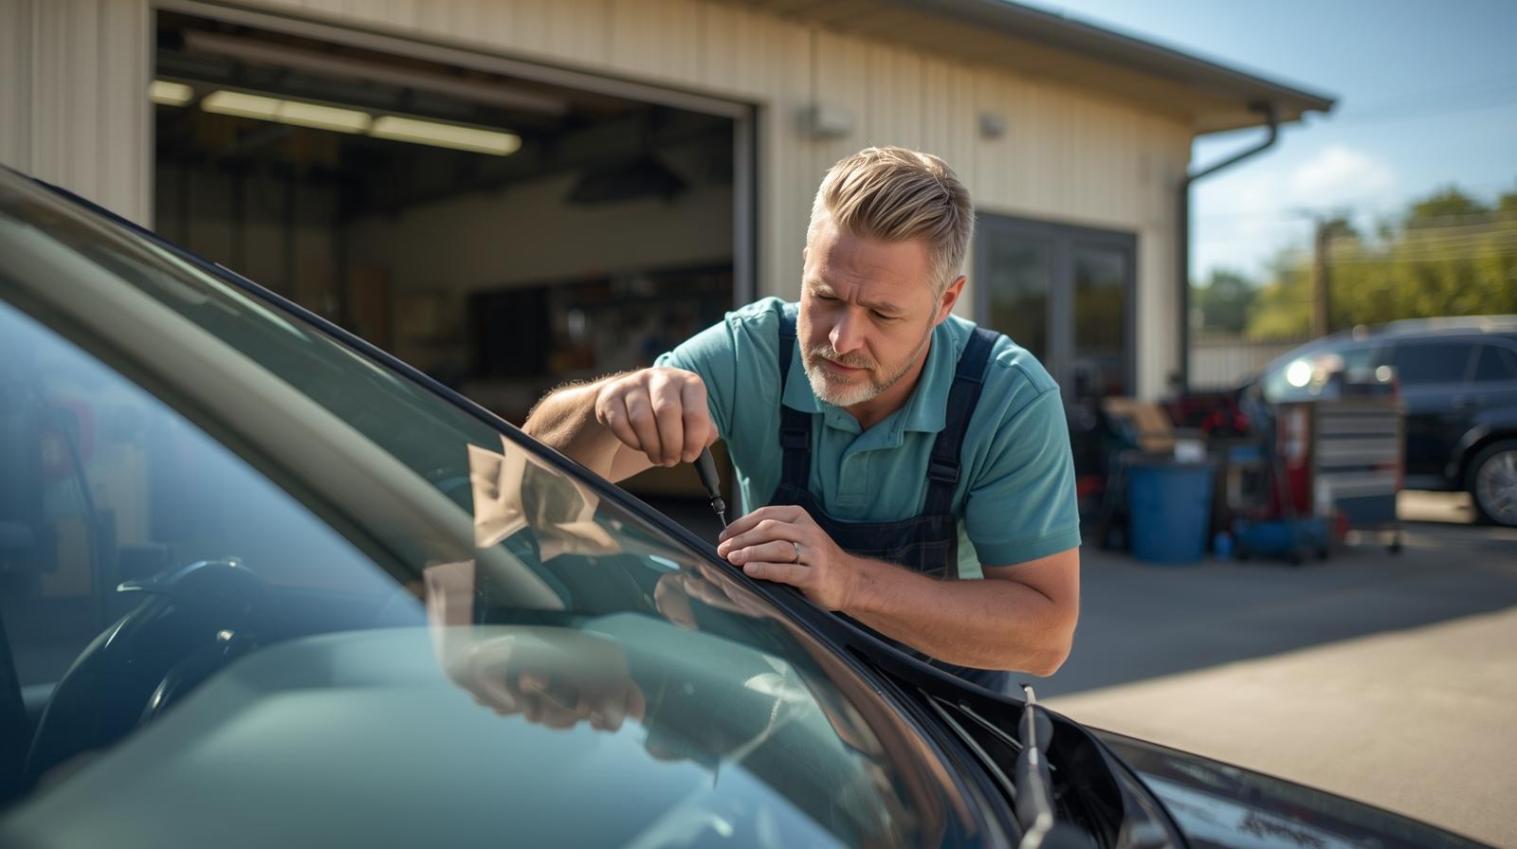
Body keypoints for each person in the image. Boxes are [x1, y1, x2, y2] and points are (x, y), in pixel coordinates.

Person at [525, 147, 1080, 690]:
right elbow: (526, 479)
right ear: (805, 266)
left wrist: (848, 581)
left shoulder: (1007, 397)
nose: (842, 339)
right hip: (782, 695)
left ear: (944, 303)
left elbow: (1045, 636)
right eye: (826, 296)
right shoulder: (752, 352)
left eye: (883, 313)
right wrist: (607, 406)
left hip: (940, 719)